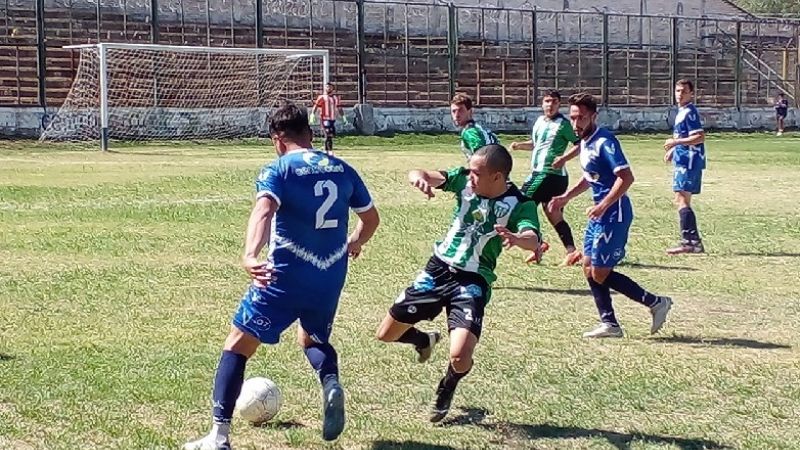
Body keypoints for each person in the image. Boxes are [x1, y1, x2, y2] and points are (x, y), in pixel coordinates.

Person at [184, 102, 379, 450]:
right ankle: (330, 382)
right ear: (310, 133)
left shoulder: (279, 169)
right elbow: (371, 219)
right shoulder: (342, 168)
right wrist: (354, 242)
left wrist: (250, 254)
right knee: (313, 341)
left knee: (237, 345)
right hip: (330, 275)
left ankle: (219, 436)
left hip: (283, 277)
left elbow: (264, 211)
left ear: (277, 139)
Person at [375, 144, 543, 423]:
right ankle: (424, 340)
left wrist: (517, 238)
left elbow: (532, 238)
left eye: (477, 173)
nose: (470, 176)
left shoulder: (520, 203)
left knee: (460, 356)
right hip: (438, 270)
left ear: (497, 177)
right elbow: (423, 173)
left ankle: (448, 386)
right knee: (385, 334)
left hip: (472, 280)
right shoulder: (463, 181)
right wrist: (419, 178)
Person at [549, 93, 673, 339]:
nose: (576, 123)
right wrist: (565, 198)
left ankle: (656, 302)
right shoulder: (585, 141)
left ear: (593, 116)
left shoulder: (605, 142)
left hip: (614, 213)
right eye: (572, 118)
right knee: (587, 266)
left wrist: (603, 205)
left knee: (600, 272)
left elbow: (626, 178)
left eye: (581, 118)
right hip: (600, 213)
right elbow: (590, 177)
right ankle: (610, 324)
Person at [510, 90, 582, 266]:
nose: (550, 105)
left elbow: (580, 145)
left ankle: (538, 244)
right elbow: (537, 144)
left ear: (559, 105)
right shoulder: (540, 121)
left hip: (547, 174)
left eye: (554, 102)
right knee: (553, 212)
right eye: (547, 101)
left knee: (520, 204)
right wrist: (520, 145)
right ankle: (571, 251)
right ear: (542, 103)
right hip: (548, 176)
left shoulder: (563, 124)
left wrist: (563, 158)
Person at [664, 79, 706, 255]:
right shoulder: (682, 112)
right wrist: (674, 150)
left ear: (691, 94)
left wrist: (675, 143)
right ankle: (692, 242)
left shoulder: (689, 112)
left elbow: (699, 137)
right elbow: (685, 136)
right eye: (677, 91)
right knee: (681, 199)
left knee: (681, 199)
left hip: (689, 162)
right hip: (683, 160)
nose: (679, 94)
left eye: (684, 91)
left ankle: (690, 242)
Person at [450, 93, 499, 159]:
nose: (456, 115)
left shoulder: (470, 131)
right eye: (454, 111)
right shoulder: (480, 128)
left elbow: (480, 155)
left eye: (461, 110)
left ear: (470, 111)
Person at [311, 83, 347, 155]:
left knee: (331, 134)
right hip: (325, 119)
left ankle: (326, 149)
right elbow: (316, 106)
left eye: (330, 87)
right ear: (325, 88)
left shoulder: (335, 98)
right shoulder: (322, 97)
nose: (328, 88)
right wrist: (312, 114)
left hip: (332, 119)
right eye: (327, 87)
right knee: (328, 134)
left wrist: (343, 117)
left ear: (332, 88)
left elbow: (339, 108)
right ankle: (328, 150)